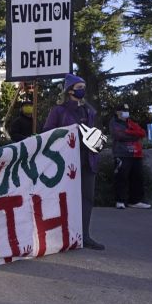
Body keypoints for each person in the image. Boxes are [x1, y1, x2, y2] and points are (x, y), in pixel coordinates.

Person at [43, 73, 105, 250]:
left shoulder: (89, 111)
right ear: (69, 90)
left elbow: (93, 132)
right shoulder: (59, 111)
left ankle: (84, 236)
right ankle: (61, 237)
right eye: (79, 88)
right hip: (67, 162)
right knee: (64, 199)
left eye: (84, 88)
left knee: (87, 199)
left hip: (88, 160)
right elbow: (47, 133)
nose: (83, 91)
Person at [109, 103, 152, 210]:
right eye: (123, 110)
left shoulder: (131, 122)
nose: (126, 112)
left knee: (137, 177)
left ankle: (135, 201)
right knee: (121, 177)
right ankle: (120, 201)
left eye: (127, 110)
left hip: (136, 153)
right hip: (122, 154)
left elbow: (142, 133)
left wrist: (131, 133)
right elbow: (119, 135)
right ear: (117, 112)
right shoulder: (114, 122)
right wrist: (135, 135)